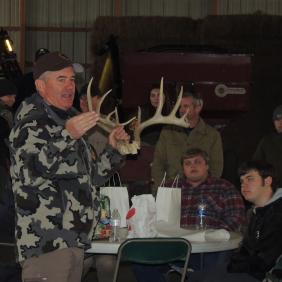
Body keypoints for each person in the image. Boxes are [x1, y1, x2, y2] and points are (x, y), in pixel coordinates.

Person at [9, 51, 129, 282]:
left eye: (72, 80)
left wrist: (113, 149)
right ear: (41, 86)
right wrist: (67, 135)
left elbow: (92, 177)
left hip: (75, 239)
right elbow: (30, 173)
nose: (70, 86)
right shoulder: (31, 123)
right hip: (47, 243)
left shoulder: (69, 120)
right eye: (60, 79)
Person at [189, 160, 282, 282]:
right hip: (251, 270)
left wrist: (235, 264)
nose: (244, 185)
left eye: (250, 179)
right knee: (195, 277)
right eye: (242, 181)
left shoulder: (277, 213)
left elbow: (266, 261)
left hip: (268, 276)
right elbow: (247, 250)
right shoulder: (255, 212)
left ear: (267, 181)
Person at [151, 91, 223, 195]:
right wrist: (163, 190)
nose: (181, 110)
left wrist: (207, 190)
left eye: (185, 106)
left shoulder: (212, 135)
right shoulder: (167, 132)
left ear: (198, 108)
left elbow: (216, 167)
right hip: (171, 190)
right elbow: (158, 163)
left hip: (201, 192)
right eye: (180, 106)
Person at [253, 104, 282, 187]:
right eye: (277, 119)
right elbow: (256, 165)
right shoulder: (267, 141)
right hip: (274, 188)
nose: (280, 122)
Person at [78, 82, 108, 156]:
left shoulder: (110, 122)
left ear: (100, 99)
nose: (84, 101)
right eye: (81, 98)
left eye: (88, 97)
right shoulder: (72, 121)